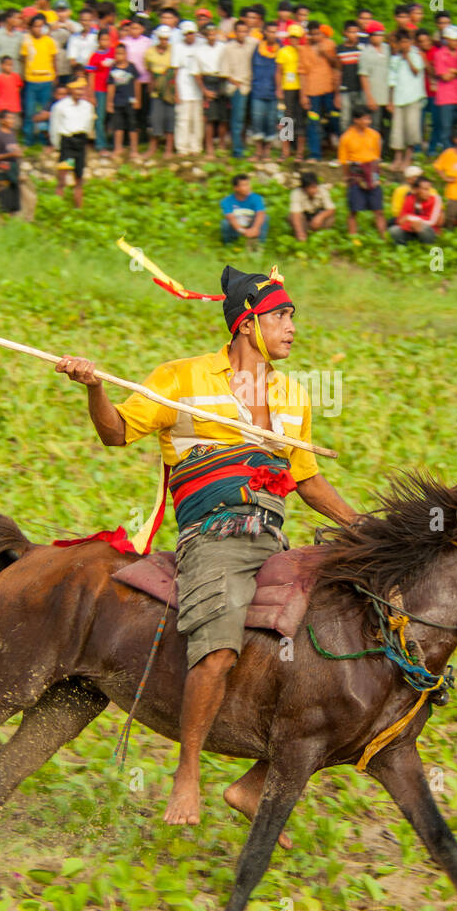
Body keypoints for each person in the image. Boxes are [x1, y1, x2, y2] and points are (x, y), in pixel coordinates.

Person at [55, 263, 357, 825]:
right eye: (282, 316)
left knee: (335, 645)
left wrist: (363, 527)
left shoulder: (292, 395)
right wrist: (94, 387)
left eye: (292, 315)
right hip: (214, 535)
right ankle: (187, 774)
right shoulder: (181, 379)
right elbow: (115, 432)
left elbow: (308, 481)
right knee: (218, 646)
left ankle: (255, 786)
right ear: (248, 323)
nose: (293, 326)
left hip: (274, 538)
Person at [338, 106, 386, 238]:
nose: (367, 122)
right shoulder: (346, 137)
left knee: (378, 209)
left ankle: (383, 237)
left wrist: (376, 174)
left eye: (369, 119)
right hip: (356, 174)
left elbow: (377, 156)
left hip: (372, 172)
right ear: (356, 120)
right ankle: (353, 237)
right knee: (354, 209)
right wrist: (348, 176)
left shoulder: (374, 135)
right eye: (365, 119)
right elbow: (344, 161)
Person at [50, 76, 94, 209]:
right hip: (67, 143)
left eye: (82, 89)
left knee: (79, 178)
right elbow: (55, 126)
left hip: (80, 142)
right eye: (77, 89)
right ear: (70, 89)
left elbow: (89, 124)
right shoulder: (60, 106)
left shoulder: (88, 106)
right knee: (62, 176)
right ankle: (57, 207)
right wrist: (58, 145)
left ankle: (78, 208)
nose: (80, 92)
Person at [298, 20, 337, 162]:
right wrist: (303, 95)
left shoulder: (329, 45)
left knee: (334, 119)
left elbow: (337, 64)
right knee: (309, 122)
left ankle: (338, 150)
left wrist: (325, 53)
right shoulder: (302, 50)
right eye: (312, 34)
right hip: (308, 90)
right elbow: (302, 73)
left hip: (328, 88)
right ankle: (312, 154)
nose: (315, 37)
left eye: (318, 34)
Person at [387, 30, 425, 173]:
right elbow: (391, 81)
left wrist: (407, 56)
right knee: (397, 130)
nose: (404, 44)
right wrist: (390, 100)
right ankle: (398, 157)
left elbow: (416, 71)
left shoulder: (416, 55)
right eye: (401, 42)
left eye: (406, 41)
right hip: (398, 98)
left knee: (411, 128)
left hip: (413, 97)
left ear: (410, 42)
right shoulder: (395, 59)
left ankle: (408, 157)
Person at [20, 14, 57, 146]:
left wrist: (55, 76)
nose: (39, 29)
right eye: (36, 26)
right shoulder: (27, 42)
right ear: (30, 28)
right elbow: (24, 60)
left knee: (44, 112)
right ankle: (28, 139)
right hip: (31, 80)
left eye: (41, 26)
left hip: (46, 80)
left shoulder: (49, 41)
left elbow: (53, 60)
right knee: (29, 110)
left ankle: (44, 139)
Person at [221, 17, 255, 158]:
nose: (242, 34)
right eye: (239, 31)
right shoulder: (228, 48)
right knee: (237, 119)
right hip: (237, 86)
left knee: (254, 118)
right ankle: (237, 150)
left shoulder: (254, 44)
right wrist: (235, 82)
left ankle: (253, 148)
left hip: (253, 85)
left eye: (244, 31)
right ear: (235, 32)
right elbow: (224, 71)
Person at [144, 24, 176, 159]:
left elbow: (175, 69)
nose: (164, 42)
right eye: (162, 39)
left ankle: (168, 149)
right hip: (156, 87)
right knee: (155, 117)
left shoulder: (173, 50)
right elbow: (149, 69)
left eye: (166, 39)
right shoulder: (150, 52)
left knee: (170, 117)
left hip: (169, 86)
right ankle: (153, 147)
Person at [173, 19, 204, 156]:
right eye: (187, 34)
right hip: (183, 85)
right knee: (183, 119)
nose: (189, 36)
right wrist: (176, 91)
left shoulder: (201, 45)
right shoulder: (177, 47)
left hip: (198, 87)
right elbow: (175, 70)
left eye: (191, 33)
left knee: (197, 119)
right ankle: (182, 147)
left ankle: (196, 146)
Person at [249, 21, 280, 158]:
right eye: (270, 31)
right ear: (265, 33)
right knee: (257, 119)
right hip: (258, 89)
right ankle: (258, 150)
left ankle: (270, 150)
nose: (273, 35)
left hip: (276, 91)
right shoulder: (257, 49)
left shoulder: (282, 49)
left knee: (273, 120)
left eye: (275, 32)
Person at [198, 21, 228, 156]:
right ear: (205, 36)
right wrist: (204, 90)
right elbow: (197, 73)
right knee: (210, 117)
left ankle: (221, 143)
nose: (211, 37)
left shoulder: (223, 47)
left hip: (221, 79)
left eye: (213, 34)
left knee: (223, 117)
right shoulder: (200, 50)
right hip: (208, 80)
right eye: (209, 34)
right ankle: (209, 145)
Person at [106, 40, 140, 160]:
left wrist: (137, 99)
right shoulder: (113, 69)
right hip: (117, 101)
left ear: (126, 54)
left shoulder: (131, 67)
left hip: (130, 101)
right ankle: (118, 148)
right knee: (118, 127)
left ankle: (134, 149)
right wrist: (109, 102)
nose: (118, 56)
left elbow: (136, 83)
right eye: (117, 54)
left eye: (121, 53)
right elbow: (111, 86)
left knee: (132, 126)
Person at [121, 16, 151, 145]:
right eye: (132, 28)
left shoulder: (148, 42)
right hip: (128, 80)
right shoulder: (124, 42)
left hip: (144, 79)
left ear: (142, 29)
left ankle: (143, 135)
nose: (134, 30)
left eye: (137, 28)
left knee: (143, 107)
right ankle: (128, 135)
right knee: (129, 107)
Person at [275, 23, 304, 159]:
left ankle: (299, 152)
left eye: (297, 37)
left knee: (300, 120)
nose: (294, 40)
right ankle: (285, 151)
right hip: (287, 88)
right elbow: (279, 72)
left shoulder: (304, 51)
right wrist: (279, 88)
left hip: (301, 89)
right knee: (286, 119)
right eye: (292, 37)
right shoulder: (283, 51)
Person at [387, 175, 444, 244]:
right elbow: (401, 219)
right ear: (416, 190)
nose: (428, 193)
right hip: (410, 229)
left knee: (422, 227)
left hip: (429, 230)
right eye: (425, 189)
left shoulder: (435, 199)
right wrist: (411, 224)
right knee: (393, 230)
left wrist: (411, 218)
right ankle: (403, 245)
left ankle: (426, 245)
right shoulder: (410, 198)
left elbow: (432, 221)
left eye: (428, 189)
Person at [86, 28, 115, 152]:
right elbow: (91, 76)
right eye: (103, 39)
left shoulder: (113, 52)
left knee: (112, 117)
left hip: (113, 89)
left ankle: (113, 142)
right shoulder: (94, 57)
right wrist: (91, 94)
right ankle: (100, 144)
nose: (105, 42)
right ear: (98, 41)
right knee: (100, 117)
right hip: (99, 89)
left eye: (107, 39)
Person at [358, 25, 390, 134]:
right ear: (371, 37)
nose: (379, 37)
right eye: (377, 35)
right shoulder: (365, 53)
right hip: (373, 94)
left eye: (381, 34)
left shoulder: (387, 49)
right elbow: (363, 76)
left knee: (387, 123)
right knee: (373, 124)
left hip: (387, 94)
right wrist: (369, 97)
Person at [0, 109, 23, 217]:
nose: (12, 120)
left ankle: (10, 224)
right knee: (3, 198)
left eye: (13, 118)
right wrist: (10, 155)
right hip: (3, 170)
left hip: (13, 169)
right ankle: (0, 223)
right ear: (2, 120)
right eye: (9, 118)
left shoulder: (12, 134)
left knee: (14, 199)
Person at [334, 20, 364, 133]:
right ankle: (345, 144)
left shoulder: (361, 49)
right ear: (345, 33)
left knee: (358, 118)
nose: (354, 35)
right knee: (345, 119)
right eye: (351, 32)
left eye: (356, 32)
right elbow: (337, 72)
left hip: (359, 89)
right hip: (345, 89)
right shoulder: (339, 50)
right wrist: (337, 94)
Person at [220, 173, 268, 244]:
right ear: (236, 188)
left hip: (252, 225)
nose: (248, 187)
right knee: (225, 223)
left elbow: (260, 213)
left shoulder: (256, 198)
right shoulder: (227, 201)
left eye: (248, 184)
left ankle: (260, 243)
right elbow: (231, 218)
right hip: (237, 227)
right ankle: (229, 244)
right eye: (244, 185)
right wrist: (243, 231)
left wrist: (255, 228)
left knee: (265, 217)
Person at [288, 170, 336, 240]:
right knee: (291, 217)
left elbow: (331, 209)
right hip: (304, 216)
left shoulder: (323, 190)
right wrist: (299, 231)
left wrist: (320, 217)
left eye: (315, 187)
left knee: (330, 218)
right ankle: (303, 234)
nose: (314, 190)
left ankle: (321, 233)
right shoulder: (296, 193)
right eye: (311, 187)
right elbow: (296, 214)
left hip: (318, 215)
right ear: (304, 188)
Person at [0, 54, 23, 119]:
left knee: (13, 124)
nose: (10, 67)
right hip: (2, 108)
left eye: (11, 65)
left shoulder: (16, 77)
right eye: (7, 65)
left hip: (14, 107)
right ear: (2, 66)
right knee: (2, 124)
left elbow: (18, 89)